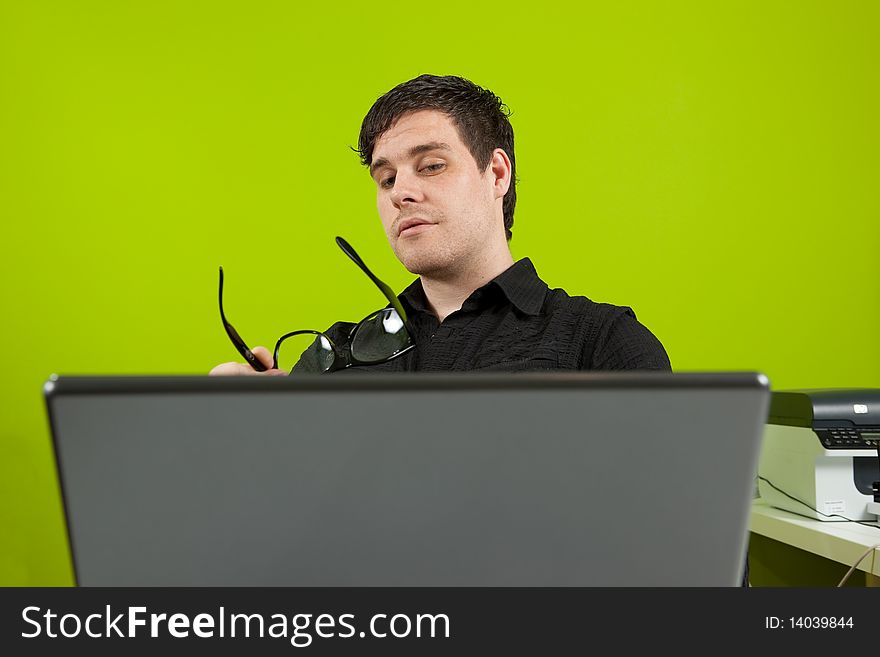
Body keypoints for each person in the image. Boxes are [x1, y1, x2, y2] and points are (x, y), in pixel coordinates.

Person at [210, 73, 670, 377]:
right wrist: (252, 427)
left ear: (497, 174)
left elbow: (662, 510)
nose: (399, 192)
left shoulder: (602, 341)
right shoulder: (336, 357)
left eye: (430, 166)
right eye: (386, 178)